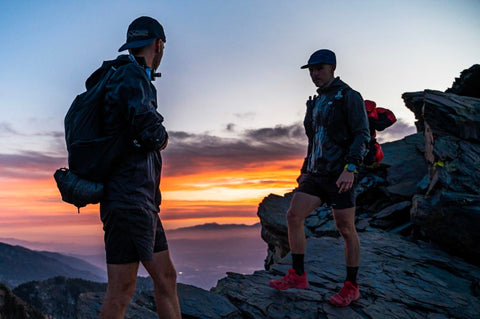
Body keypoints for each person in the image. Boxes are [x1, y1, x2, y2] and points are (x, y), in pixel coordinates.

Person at [268, 49, 370, 307]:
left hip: (340, 174)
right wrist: (305, 170)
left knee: (346, 229)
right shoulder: (315, 102)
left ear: (332, 68)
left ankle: (351, 286)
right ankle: (298, 275)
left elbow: (361, 134)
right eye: (311, 70)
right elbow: (314, 140)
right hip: (315, 173)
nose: (314, 74)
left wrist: (351, 167)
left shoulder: (349, 96)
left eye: (319, 69)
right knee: (293, 216)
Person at [95, 16, 181, 318]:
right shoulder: (131, 77)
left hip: (138, 201)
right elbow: (153, 134)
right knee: (121, 290)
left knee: (166, 277)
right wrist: (162, 136)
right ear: (158, 44)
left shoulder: (125, 75)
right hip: (129, 199)